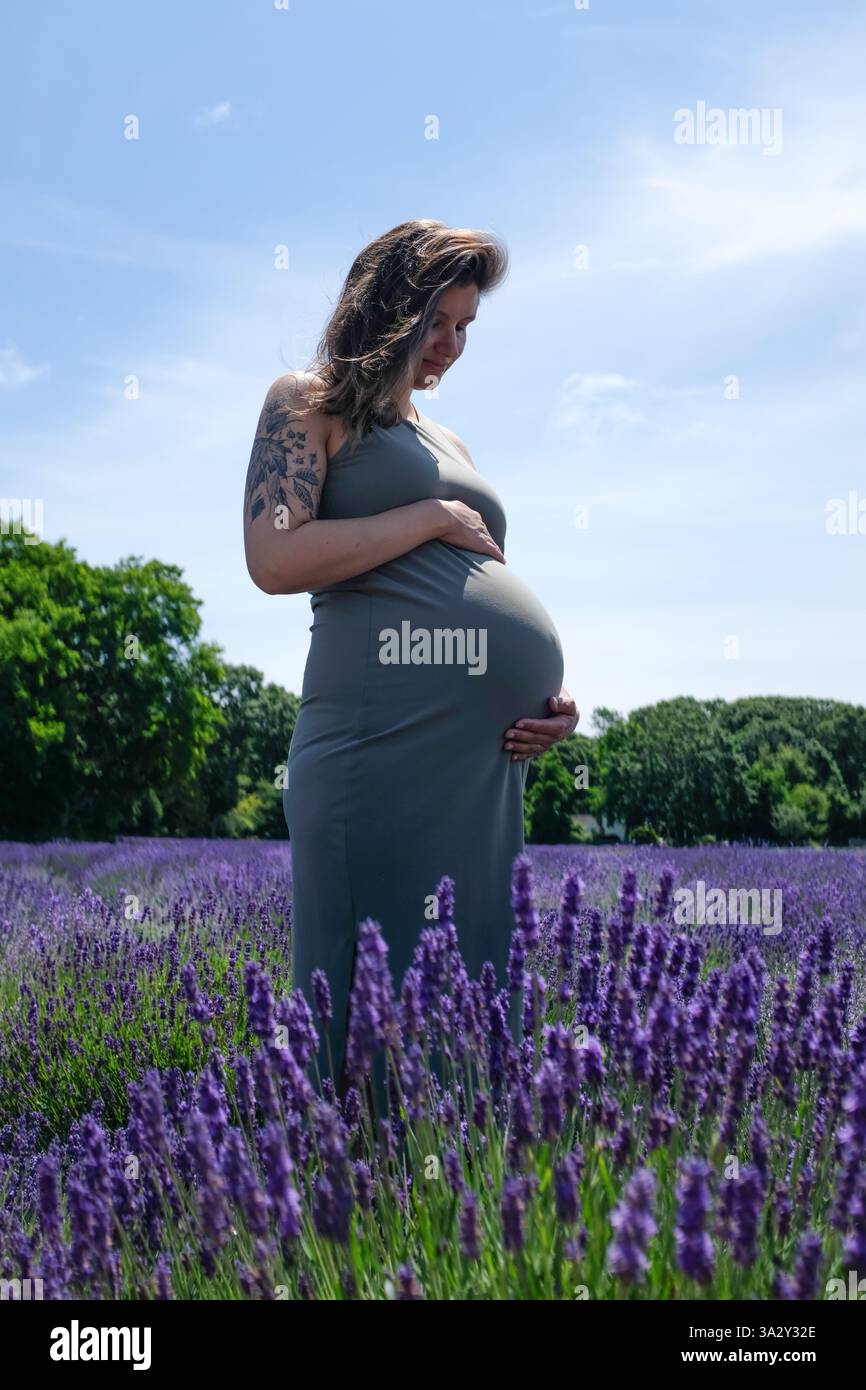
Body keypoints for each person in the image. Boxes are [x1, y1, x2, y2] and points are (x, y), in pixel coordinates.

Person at [243, 219, 578, 1110]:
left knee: (470, 1012)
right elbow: (274, 559)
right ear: (393, 305)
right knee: (366, 1018)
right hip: (375, 758)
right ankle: (342, 1213)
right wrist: (425, 518)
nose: (453, 347)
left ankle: (449, 1217)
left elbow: (481, 581)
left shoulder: (448, 441)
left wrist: (553, 699)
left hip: (477, 776)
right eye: (441, 322)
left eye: (468, 328)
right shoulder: (305, 402)